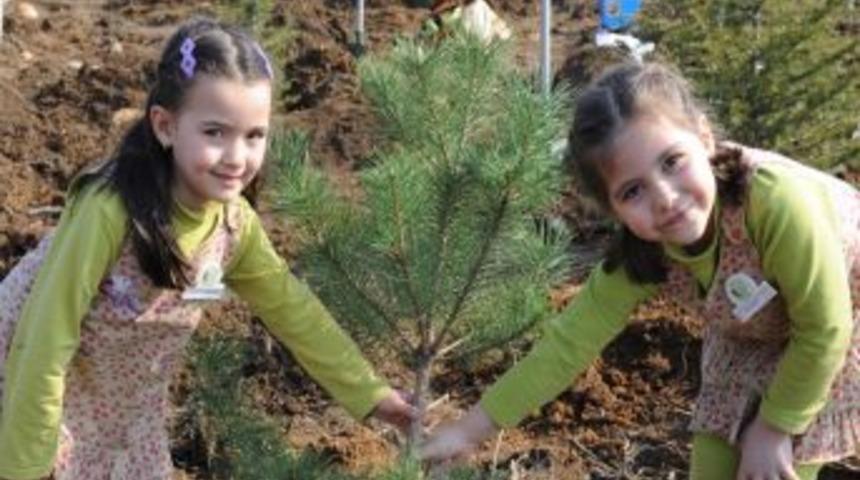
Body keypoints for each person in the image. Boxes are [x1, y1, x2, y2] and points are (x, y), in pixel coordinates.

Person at [0, 18, 415, 480]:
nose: (237, 156)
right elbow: (45, 335)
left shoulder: (233, 225)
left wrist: (373, 395)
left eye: (254, 135)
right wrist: (24, 465)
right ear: (165, 126)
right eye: (215, 133)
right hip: (30, 392)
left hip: (122, 412)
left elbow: (294, 311)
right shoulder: (110, 210)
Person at [420, 62, 859, 479]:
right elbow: (565, 347)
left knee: (771, 465)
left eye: (672, 162)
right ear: (611, 209)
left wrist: (775, 427)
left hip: (838, 324)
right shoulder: (642, 256)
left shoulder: (773, 203)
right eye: (632, 191)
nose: (665, 198)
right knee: (714, 463)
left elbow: (824, 328)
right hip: (751, 330)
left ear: (704, 137)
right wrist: (466, 431)